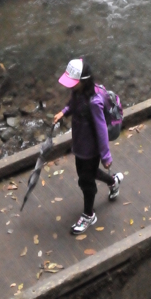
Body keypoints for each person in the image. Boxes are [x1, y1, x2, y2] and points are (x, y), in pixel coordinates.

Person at [53, 57, 124, 234]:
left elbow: (101, 130)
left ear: (83, 81)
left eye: (73, 82)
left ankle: (88, 215)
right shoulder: (78, 93)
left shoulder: (93, 102)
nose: (70, 86)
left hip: (90, 150)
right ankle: (113, 181)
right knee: (88, 174)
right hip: (79, 143)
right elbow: (72, 104)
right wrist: (63, 112)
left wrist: (106, 156)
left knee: (85, 180)